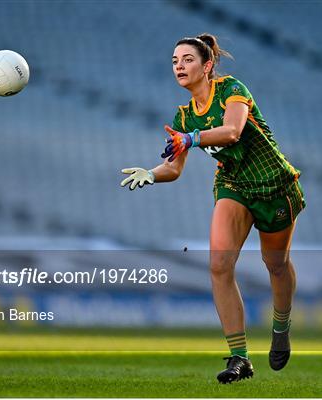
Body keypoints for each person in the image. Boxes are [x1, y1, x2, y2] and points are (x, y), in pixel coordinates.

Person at [120, 33, 305, 384]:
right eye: (175, 61)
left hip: (273, 185)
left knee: (275, 264)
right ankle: (239, 358)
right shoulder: (183, 116)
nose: (179, 66)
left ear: (207, 67)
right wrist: (151, 174)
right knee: (219, 265)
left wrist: (191, 138)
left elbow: (232, 131)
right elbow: (174, 168)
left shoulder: (232, 89)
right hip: (233, 185)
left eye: (187, 59)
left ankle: (281, 327)